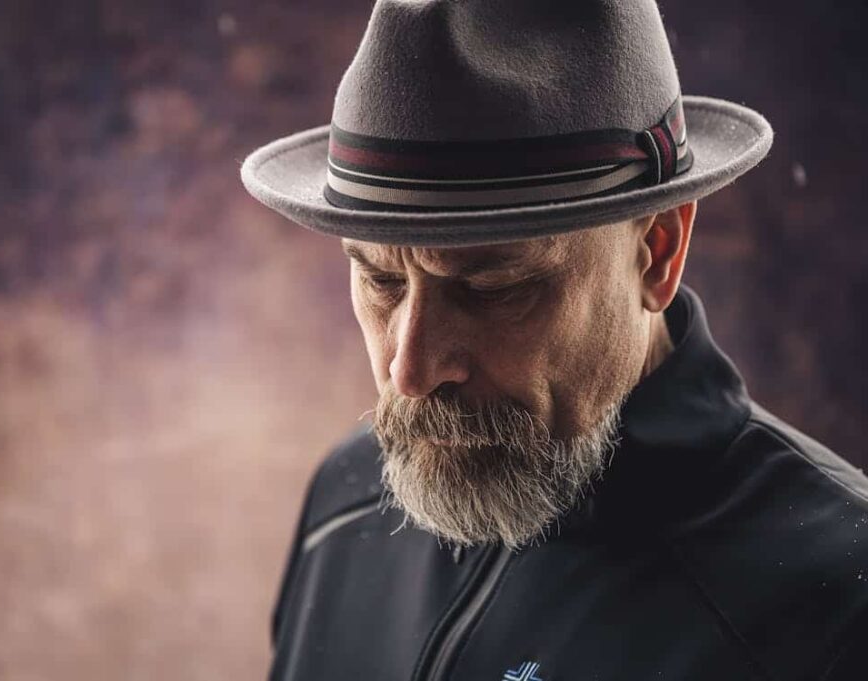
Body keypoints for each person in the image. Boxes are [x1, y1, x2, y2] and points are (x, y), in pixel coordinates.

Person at [240, 1, 868, 679]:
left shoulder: (837, 605)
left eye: (491, 289)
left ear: (657, 250)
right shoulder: (344, 501)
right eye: (382, 281)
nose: (410, 370)